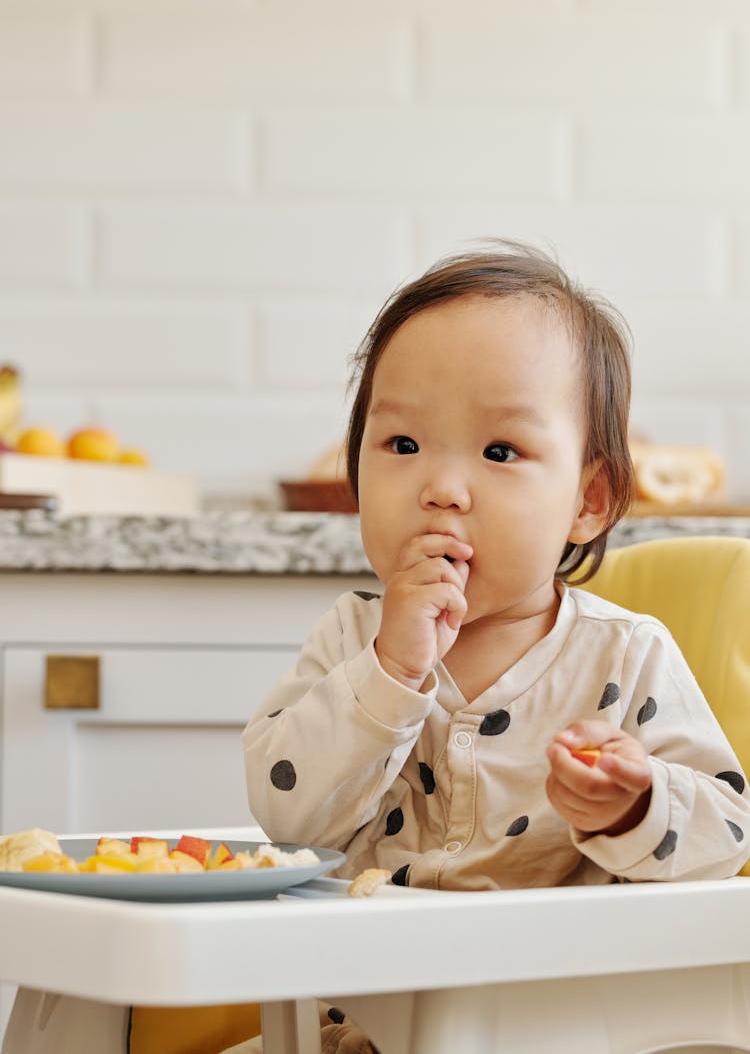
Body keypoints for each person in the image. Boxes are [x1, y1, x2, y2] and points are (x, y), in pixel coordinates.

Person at [235, 240, 750, 1049]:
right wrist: (390, 673)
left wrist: (639, 802)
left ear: (589, 498)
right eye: (401, 445)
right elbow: (285, 814)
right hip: (359, 1029)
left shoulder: (627, 657)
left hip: (562, 1031)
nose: (441, 486)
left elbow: (727, 837)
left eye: (500, 451)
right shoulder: (350, 639)